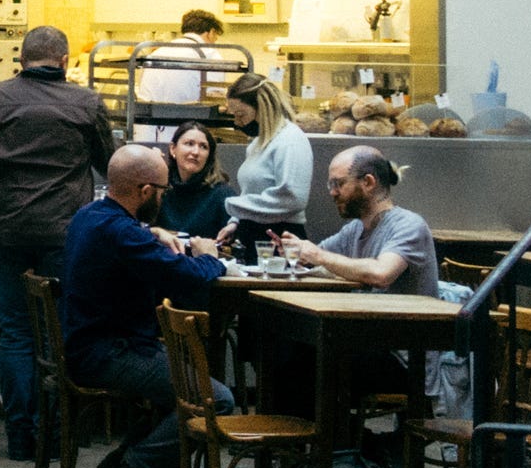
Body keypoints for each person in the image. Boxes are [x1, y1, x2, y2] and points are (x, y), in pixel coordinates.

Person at [0, 25, 114, 461]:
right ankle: (56, 434)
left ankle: (19, 436)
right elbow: (109, 163)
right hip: (64, 234)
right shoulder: (87, 103)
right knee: (57, 333)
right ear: (64, 61)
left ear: (21, 59)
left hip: (8, 230)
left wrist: (4, 187)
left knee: (16, 332)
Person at [59, 146, 231, 468]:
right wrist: (209, 256)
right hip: (110, 353)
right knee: (215, 398)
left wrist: (150, 231)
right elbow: (184, 276)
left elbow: (129, 239)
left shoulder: (91, 216)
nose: (165, 196)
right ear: (144, 190)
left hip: (87, 345)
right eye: (163, 190)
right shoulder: (121, 232)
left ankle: (124, 461)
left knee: (180, 391)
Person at [277, 146, 440, 297]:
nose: (333, 192)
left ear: (368, 182)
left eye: (339, 183)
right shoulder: (354, 229)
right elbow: (317, 259)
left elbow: (381, 274)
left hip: (409, 327)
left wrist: (317, 255)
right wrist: (298, 252)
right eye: (330, 185)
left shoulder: (409, 225)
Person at [217, 70, 312, 250]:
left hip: (280, 238)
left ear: (263, 107)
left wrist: (234, 206)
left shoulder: (290, 140)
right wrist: (235, 222)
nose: (237, 123)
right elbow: (251, 192)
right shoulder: (257, 143)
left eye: (241, 115)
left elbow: (293, 198)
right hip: (253, 237)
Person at [137, 8, 228, 114]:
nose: (214, 42)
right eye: (215, 37)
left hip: (150, 125)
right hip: (187, 125)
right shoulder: (210, 54)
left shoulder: (156, 53)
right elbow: (215, 99)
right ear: (211, 32)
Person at [154, 121, 231, 239]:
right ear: (173, 149)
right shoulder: (160, 187)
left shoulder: (222, 194)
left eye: (203, 147)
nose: (196, 152)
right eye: (189, 144)